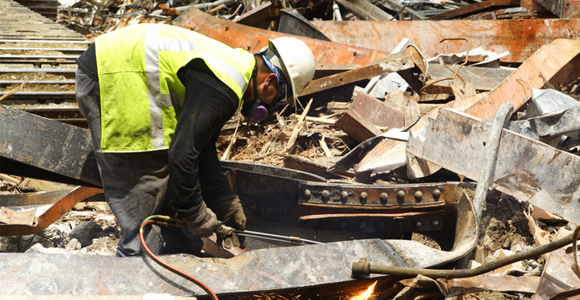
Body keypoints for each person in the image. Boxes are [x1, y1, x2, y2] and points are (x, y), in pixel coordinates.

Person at [75, 23, 316, 257]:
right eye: (279, 100)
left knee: (176, 217)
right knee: (146, 190)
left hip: (120, 69)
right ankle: (134, 270)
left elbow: (202, 147)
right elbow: (183, 154)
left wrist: (224, 201)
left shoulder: (232, 73)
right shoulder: (225, 86)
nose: (273, 107)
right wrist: (195, 213)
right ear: (270, 81)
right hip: (111, 74)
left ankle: (168, 255)